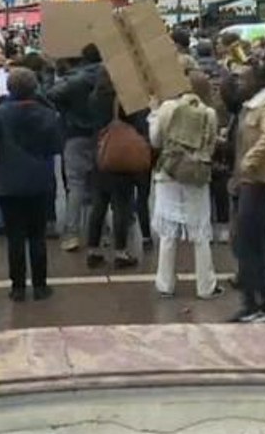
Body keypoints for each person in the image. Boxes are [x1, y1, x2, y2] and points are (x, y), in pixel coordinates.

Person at [0, 68, 62, 301]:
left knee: (15, 236)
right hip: (40, 180)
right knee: (37, 235)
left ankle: (17, 287)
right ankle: (40, 285)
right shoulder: (48, 114)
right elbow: (58, 145)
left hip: (9, 182)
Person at [149, 72, 221, 299]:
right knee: (200, 232)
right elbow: (211, 145)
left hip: (168, 173)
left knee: (168, 233)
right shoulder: (209, 112)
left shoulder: (167, 107)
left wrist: (153, 112)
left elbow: (155, 140)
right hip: (196, 174)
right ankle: (206, 286)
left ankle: (164, 283)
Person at [228, 61, 265, 323]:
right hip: (252, 181)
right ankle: (261, 303)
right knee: (252, 243)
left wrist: (250, 160)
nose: (240, 83)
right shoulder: (253, 105)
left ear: (258, 82)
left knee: (249, 243)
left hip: (260, 181)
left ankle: (258, 304)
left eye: (244, 79)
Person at [46, 44, 106, 253]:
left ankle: (72, 233)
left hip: (75, 134)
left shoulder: (74, 81)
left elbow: (50, 95)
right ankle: (100, 232)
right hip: (103, 134)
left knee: (76, 185)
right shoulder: (109, 76)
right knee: (100, 185)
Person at [85, 69, 146, 270]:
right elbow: (138, 123)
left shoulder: (94, 97)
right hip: (120, 156)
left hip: (101, 153)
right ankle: (121, 252)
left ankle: (93, 250)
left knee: (99, 205)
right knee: (121, 205)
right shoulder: (125, 98)